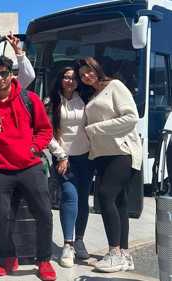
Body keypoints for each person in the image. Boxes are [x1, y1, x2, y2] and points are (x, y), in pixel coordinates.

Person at [0, 56, 56, 280]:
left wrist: (34, 148)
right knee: (0, 218)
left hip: (30, 166)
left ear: (11, 74)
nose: (0, 79)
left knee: (44, 214)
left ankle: (44, 259)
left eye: (4, 73)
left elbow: (45, 130)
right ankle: (7, 256)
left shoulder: (30, 99)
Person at [75, 57, 142, 273]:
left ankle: (113, 253)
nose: (86, 76)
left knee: (105, 196)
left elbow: (131, 118)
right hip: (102, 155)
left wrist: (95, 129)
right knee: (119, 202)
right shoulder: (93, 95)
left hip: (122, 151)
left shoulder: (115, 86)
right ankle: (124, 254)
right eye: (82, 74)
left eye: (89, 71)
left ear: (97, 68)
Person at [47, 67, 92, 267]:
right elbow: (46, 134)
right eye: (66, 77)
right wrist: (61, 155)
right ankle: (67, 244)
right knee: (69, 195)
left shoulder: (85, 99)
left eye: (74, 78)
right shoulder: (51, 102)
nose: (70, 81)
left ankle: (79, 239)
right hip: (64, 157)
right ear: (60, 79)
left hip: (87, 156)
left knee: (83, 198)